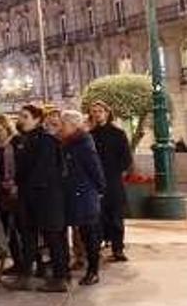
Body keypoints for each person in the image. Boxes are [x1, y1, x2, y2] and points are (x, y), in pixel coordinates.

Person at [7, 104, 69, 293]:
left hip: (46, 198)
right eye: (20, 116)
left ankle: (59, 278)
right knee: (27, 237)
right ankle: (26, 275)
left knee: (53, 238)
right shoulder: (23, 140)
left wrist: (25, 187)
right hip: (29, 198)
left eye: (25, 116)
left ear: (37, 120)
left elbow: (44, 171)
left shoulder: (46, 141)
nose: (21, 120)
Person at [59, 110, 106, 286]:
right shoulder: (68, 143)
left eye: (63, 124)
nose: (61, 128)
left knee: (89, 234)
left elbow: (94, 167)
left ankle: (93, 271)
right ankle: (86, 266)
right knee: (83, 234)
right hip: (75, 194)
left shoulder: (83, 142)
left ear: (72, 125)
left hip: (85, 194)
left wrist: (100, 189)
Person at [89, 100, 133, 262]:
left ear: (107, 113)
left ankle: (118, 249)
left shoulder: (118, 134)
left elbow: (126, 159)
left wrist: (114, 172)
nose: (97, 114)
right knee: (97, 218)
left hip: (113, 181)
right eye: (94, 111)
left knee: (116, 217)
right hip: (95, 183)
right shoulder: (90, 135)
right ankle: (97, 248)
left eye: (100, 110)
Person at [0, 115, 23, 276]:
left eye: (1, 129)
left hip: (15, 191)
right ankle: (17, 262)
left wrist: (15, 184)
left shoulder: (16, 142)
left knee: (17, 228)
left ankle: (25, 262)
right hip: (0, 191)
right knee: (7, 228)